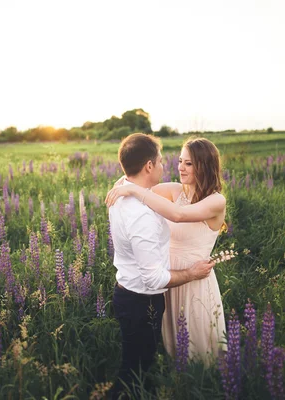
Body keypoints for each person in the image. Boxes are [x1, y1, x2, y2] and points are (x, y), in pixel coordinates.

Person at [108, 133, 216, 399]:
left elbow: (175, 213)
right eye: (163, 161)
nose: (173, 166)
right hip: (159, 287)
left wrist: (130, 185)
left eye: (187, 163)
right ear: (148, 166)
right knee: (137, 369)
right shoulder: (146, 210)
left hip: (177, 285)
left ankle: (194, 385)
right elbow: (154, 276)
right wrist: (190, 272)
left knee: (162, 357)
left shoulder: (127, 193)